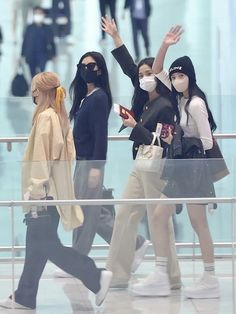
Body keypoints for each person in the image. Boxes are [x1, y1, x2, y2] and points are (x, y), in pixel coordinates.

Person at [0, 72, 112, 310]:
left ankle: (95, 276)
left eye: (34, 91)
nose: (32, 95)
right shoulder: (56, 117)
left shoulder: (46, 118)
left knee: (49, 247)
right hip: (50, 195)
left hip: (44, 196)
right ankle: (24, 296)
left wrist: (36, 189)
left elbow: (43, 157)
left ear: (42, 92)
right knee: (36, 248)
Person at [131, 26, 220, 298]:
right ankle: (161, 272)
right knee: (159, 217)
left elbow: (207, 140)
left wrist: (180, 140)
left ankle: (209, 277)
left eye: (181, 76)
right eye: (175, 76)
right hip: (182, 169)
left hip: (193, 169)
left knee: (198, 224)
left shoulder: (194, 104)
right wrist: (165, 45)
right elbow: (158, 71)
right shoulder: (180, 101)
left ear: (190, 77)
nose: (176, 79)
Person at [101, 16, 181, 291]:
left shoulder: (167, 102)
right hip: (140, 164)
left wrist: (135, 127)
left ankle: (170, 277)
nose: (145, 78)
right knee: (124, 213)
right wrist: (115, 36)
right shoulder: (143, 98)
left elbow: (162, 141)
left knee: (158, 219)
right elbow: (127, 67)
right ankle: (116, 273)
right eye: (142, 75)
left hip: (157, 165)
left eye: (149, 74)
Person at [53, 51, 148, 278]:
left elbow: (100, 135)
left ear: (100, 69)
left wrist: (97, 166)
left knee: (85, 212)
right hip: (82, 162)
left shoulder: (99, 98)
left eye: (92, 65)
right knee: (95, 213)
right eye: (83, 65)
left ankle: (77, 260)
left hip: (90, 164)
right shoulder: (86, 96)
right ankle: (134, 243)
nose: (87, 69)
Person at [21, 6, 56, 78]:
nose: (38, 15)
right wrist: (22, 55)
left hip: (43, 55)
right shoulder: (29, 28)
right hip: (31, 55)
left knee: (42, 76)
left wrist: (54, 54)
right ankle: (34, 88)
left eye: (40, 13)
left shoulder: (48, 28)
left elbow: (52, 42)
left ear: (43, 15)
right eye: (36, 13)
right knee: (32, 76)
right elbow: (25, 42)